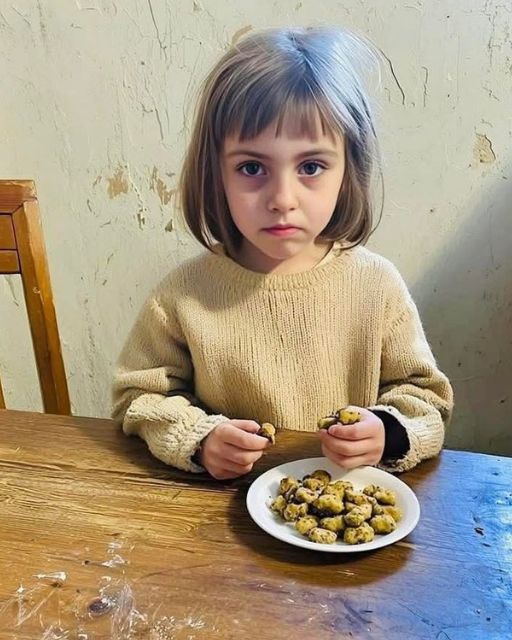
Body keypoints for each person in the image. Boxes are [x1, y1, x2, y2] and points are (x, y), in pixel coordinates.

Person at [112, 26, 453, 480]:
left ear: (348, 170)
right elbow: (137, 397)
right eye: (252, 167)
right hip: (217, 508)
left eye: (311, 166)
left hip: (349, 502)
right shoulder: (183, 295)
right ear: (216, 173)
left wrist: (387, 432)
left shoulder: (377, 285)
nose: (282, 199)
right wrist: (200, 438)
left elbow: (426, 400)